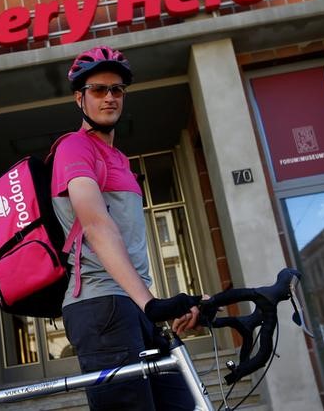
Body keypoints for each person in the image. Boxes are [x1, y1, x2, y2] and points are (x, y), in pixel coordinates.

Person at [51, 46, 202, 410]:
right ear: (79, 98)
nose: (109, 97)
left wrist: (173, 303)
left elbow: (128, 243)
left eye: (116, 90)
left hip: (130, 303)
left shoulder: (118, 158)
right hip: (102, 308)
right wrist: (150, 303)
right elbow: (97, 225)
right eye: (98, 90)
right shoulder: (74, 148)